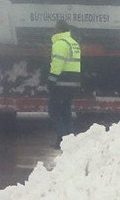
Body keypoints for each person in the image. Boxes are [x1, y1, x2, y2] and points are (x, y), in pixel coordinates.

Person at [48, 19, 82, 149]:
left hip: (62, 82)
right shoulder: (74, 43)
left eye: (55, 28)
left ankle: (62, 137)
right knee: (66, 110)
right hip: (74, 82)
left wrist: (52, 80)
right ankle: (69, 137)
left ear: (58, 30)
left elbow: (58, 64)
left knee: (54, 110)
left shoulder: (59, 44)